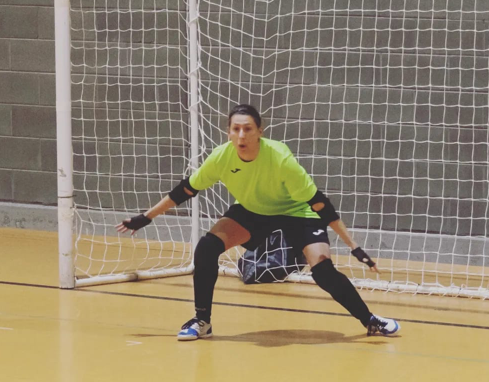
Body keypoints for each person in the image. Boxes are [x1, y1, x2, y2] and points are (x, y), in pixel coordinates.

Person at [116, 104, 400, 340]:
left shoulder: (280, 158)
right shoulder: (221, 157)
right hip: (253, 210)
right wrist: (145, 217)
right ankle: (202, 322)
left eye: (248, 129)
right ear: (228, 132)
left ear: (260, 132)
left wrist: (354, 247)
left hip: (297, 212)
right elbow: (184, 191)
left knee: (323, 271)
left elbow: (321, 205)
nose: (241, 135)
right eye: (236, 129)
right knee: (206, 248)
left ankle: (370, 320)